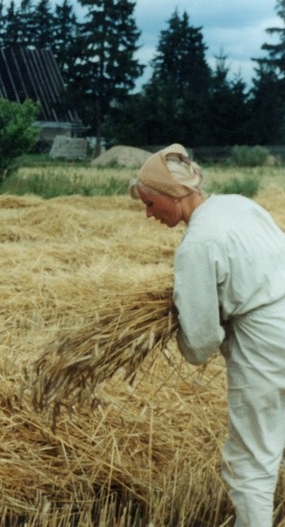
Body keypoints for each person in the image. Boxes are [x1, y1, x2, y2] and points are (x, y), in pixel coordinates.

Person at [129, 143, 285, 527]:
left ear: (172, 194)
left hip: (265, 344)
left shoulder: (197, 245)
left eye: (150, 203)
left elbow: (200, 343)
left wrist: (182, 330)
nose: (149, 214)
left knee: (250, 460)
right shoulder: (240, 205)